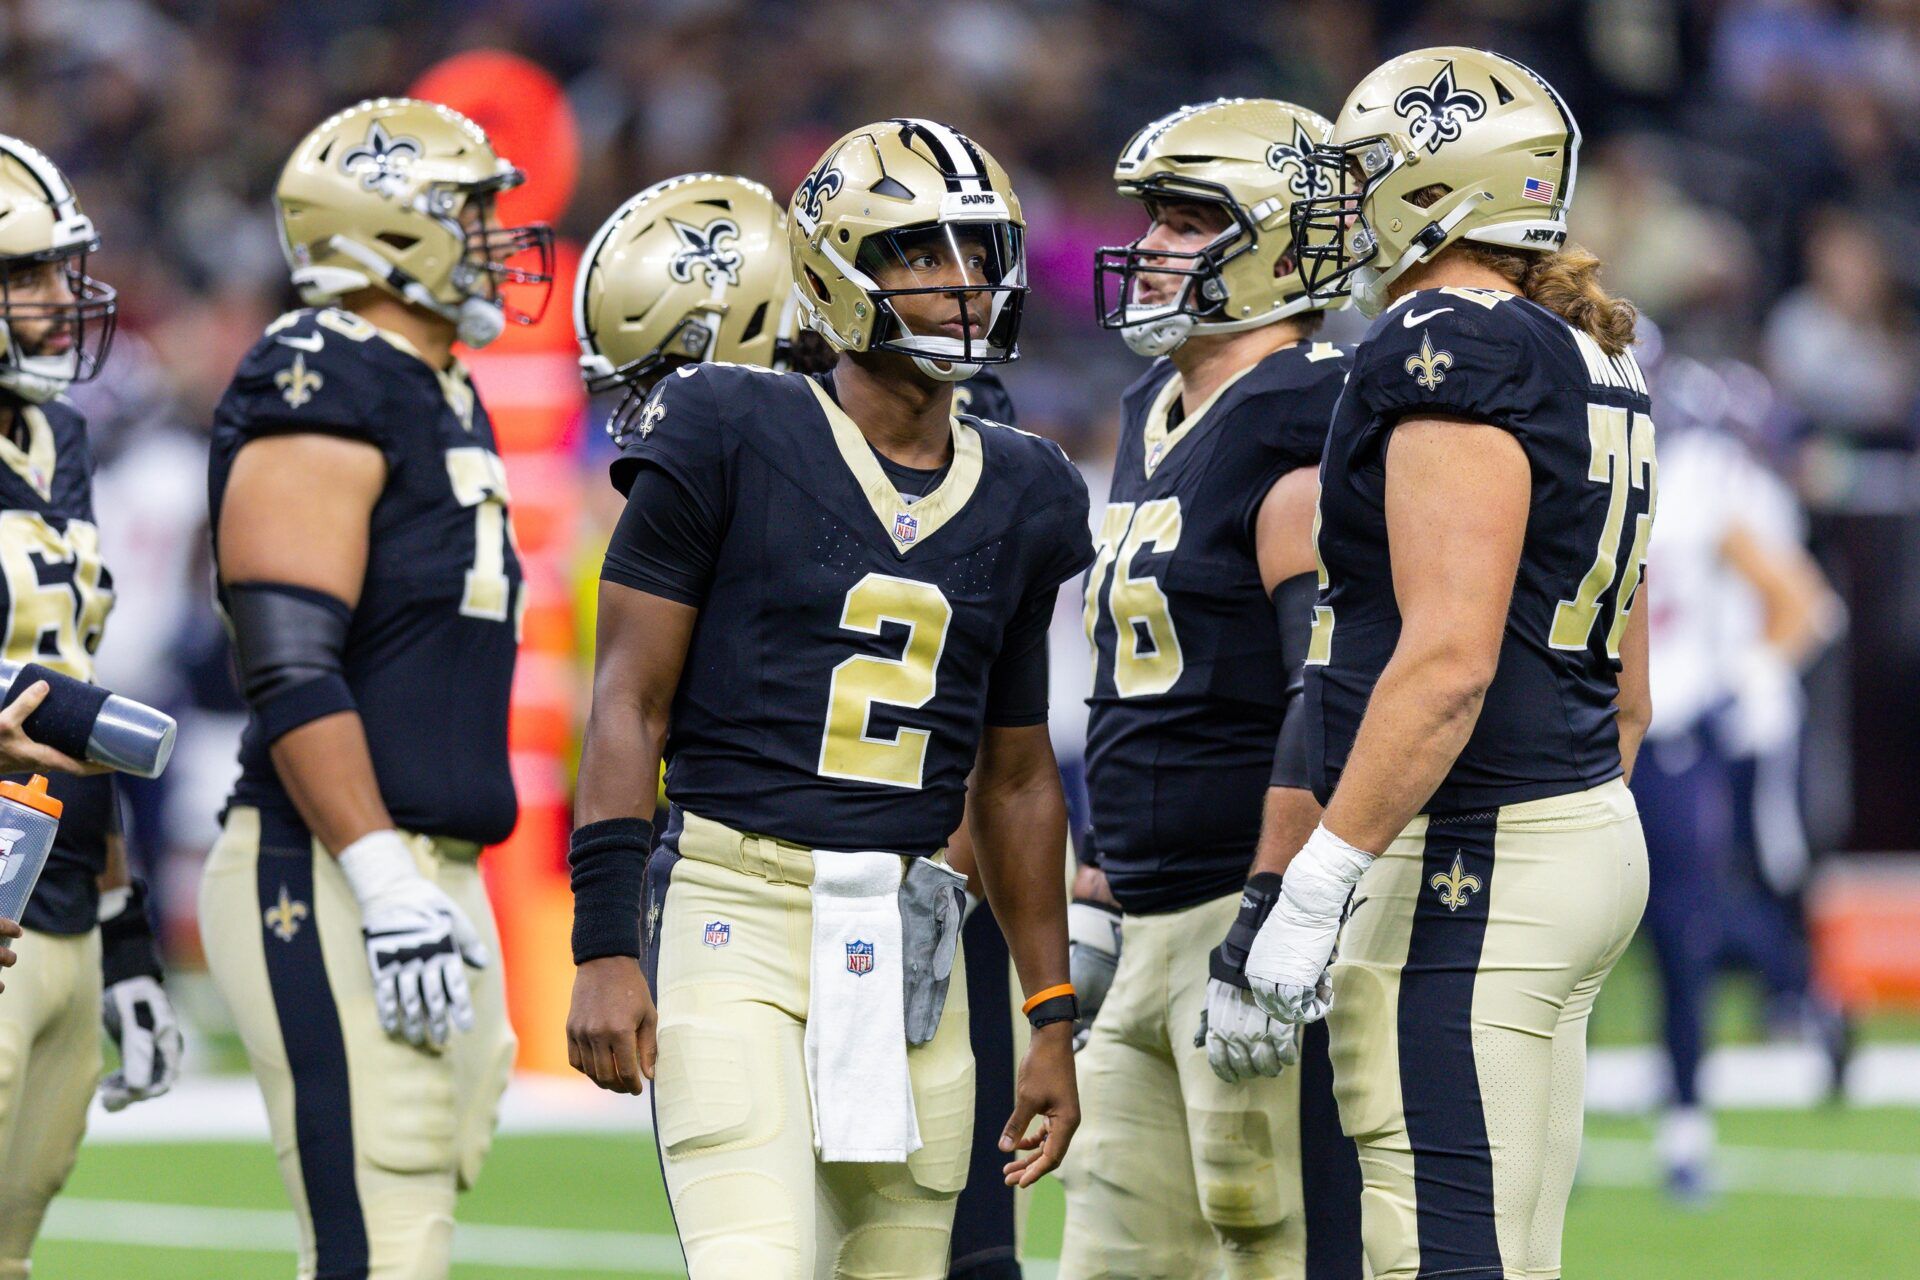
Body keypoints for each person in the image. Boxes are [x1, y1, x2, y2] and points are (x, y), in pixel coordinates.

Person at [563, 118, 1089, 1278]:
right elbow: (627, 703)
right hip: (733, 906)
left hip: (909, 932)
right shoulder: (726, 425)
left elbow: (1014, 771)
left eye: (978, 249)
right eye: (917, 251)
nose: (963, 282)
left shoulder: (1027, 486)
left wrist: (1049, 1007)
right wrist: (604, 940)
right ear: (832, 271)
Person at [1246, 49, 1654, 1280]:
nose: (1347, 201)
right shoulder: (1592, 354)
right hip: (1577, 822)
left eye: (1368, 171)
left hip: (1477, 851)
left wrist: (1322, 875)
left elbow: (1448, 660)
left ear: (1442, 182)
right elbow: (1630, 685)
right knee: (1512, 1253)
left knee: (1436, 1251)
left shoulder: (1442, 339)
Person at [198, 98, 551, 1280]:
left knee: (426, 1187)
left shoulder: (441, 381)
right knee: (378, 1230)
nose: (499, 235)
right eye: (473, 210)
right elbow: (288, 658)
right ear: (387, 227)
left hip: (431, 862)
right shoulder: (320, 369)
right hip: (331, 857)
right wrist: (382, 872)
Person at [1060, 98, 1362, 1279]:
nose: (1154, 244)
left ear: (1280, 245)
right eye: (1155, 217)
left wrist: (1274, 907)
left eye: (1192, 220)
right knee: (1110, 1252)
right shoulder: (1157, 407)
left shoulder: (1306, 411)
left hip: (1248, 914)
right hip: (1143, 918)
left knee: (1271, 1246)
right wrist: (1097, 879)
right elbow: (1137, 683)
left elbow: (1325, 687)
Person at [0, 132, 182, 1276]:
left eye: (62, 268)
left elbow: (74, 682)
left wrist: (129, 939)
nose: (62, 299)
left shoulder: (58, 436)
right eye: (25, 273)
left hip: (56, 889)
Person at [1633, 355, 1843, 1198]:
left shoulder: (1698, 486)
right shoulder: (1563, 469)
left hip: (1676, 733)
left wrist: (1749, 675)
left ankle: (1687, 1126)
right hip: (1586, 743)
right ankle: (1549, 1133)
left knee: (1684, 934)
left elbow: (1801, 600)